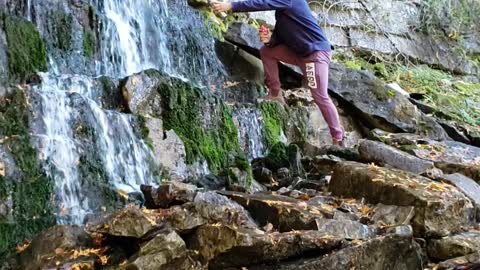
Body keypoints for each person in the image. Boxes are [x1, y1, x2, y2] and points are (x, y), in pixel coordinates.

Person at [212, 0, 345, 146]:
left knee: (319, 96)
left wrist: (231, 6)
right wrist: (269, 40)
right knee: (267, 51)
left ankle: (338, 139)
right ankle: (275, 93)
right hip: (299, 54)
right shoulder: (282, 14)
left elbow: (262, 3)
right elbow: (279, 40)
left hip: (314, 57)